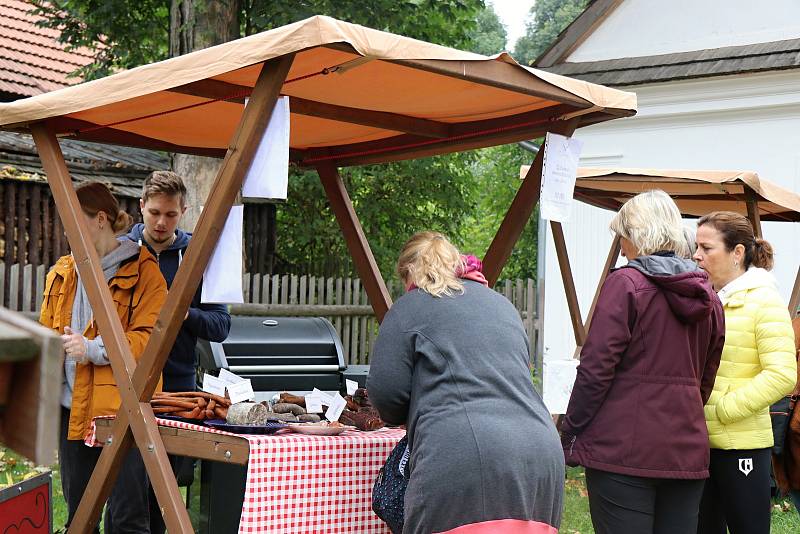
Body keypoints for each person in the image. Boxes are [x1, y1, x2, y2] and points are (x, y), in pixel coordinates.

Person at [368, 231, 564, 534]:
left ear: (410, 272)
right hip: (540, 457)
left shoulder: (410, 307)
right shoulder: (502, 306)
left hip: (462, 460)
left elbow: (387, 393)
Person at [559, 190, 725, 534]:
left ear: (637, 234)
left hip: (622, 452)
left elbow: (595, 369)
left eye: (622, 236)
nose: (620, 247)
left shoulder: (626, 285)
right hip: (685, 450)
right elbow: (706, 377)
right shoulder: (708, 295)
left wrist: (570, 429)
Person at [40, 181, 167, 533]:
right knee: (81, 519)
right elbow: (49, 332)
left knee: (127, 519)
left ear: (99, 219)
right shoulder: (63, 271)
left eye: (72, 220)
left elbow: (149, 343)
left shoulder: (145, 272)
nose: (65, 230)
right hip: (73, 412)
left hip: (122, 413)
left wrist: (92, 349)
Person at [124, 170, 231, 534]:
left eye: (170, 214)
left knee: (165, 494)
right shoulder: (121, 252)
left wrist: (183, 312)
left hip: (179, 391)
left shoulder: (198, 255)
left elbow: (221, 326)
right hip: (125, 384)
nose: (160, 222)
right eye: (154, 212)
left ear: (183, 210)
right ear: (141, 207)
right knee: (125, 496)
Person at [693, 211, 797, 534]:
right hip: (699, 443)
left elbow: (782, 374)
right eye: (696, 247)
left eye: (707, 248)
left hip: (742, 446)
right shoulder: (704, 299)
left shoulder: (764, 300)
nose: (697, 256)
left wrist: (725, 409)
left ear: (737, 253)